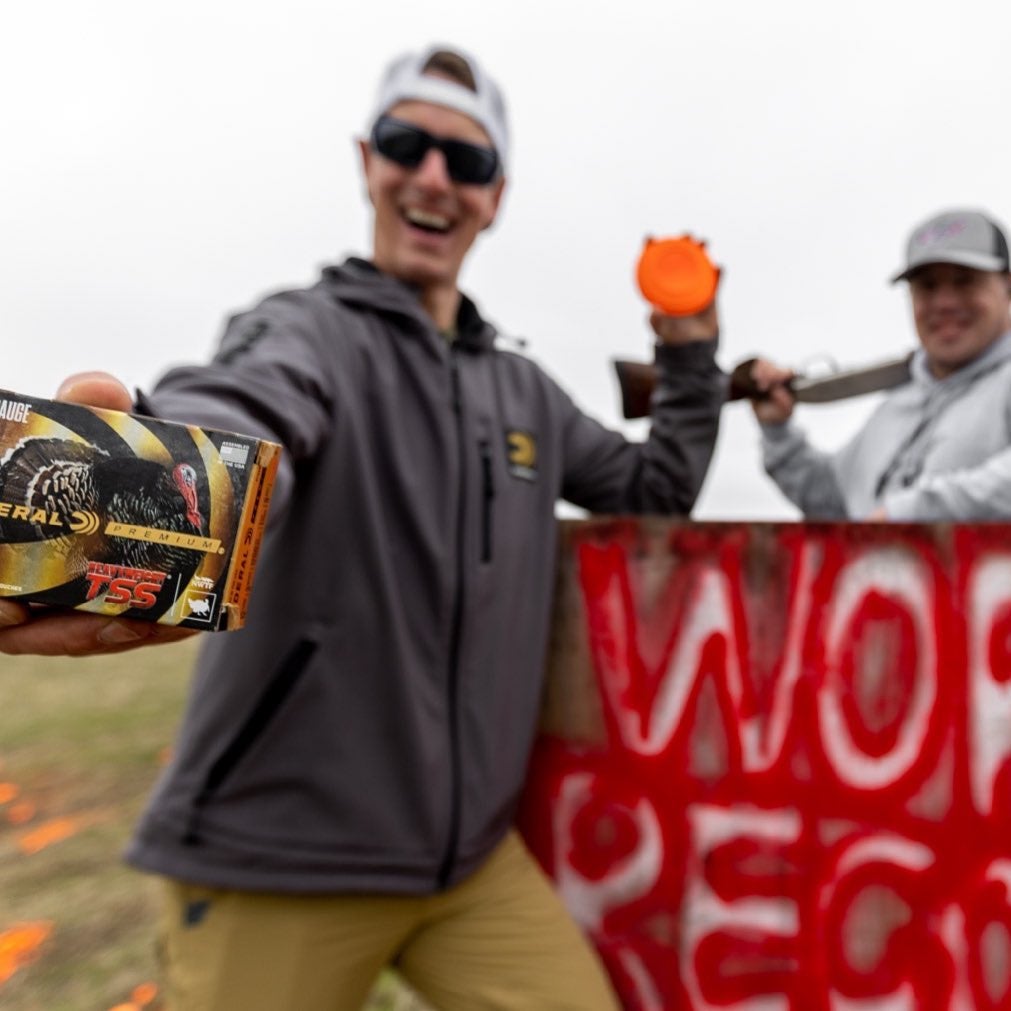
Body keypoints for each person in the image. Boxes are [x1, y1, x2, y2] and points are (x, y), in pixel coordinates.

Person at [0, 45, 726, 1011]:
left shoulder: (525, 392)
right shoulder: (304, 330)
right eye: (406, 143)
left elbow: (654, 487)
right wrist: (137, 481)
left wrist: (690, 352)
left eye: (465, 162)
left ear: (494, 195)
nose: (433, 176)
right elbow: (247, 409)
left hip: (467, 864)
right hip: (274, 861)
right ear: (367, 161)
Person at [750, 207, 1011, 521]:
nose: (944, 303)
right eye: (927, 286)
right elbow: (836, 506)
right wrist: (778, 431)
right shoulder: (895, 406)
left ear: (1007, 286)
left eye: (965, 282)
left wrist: (907, 515)